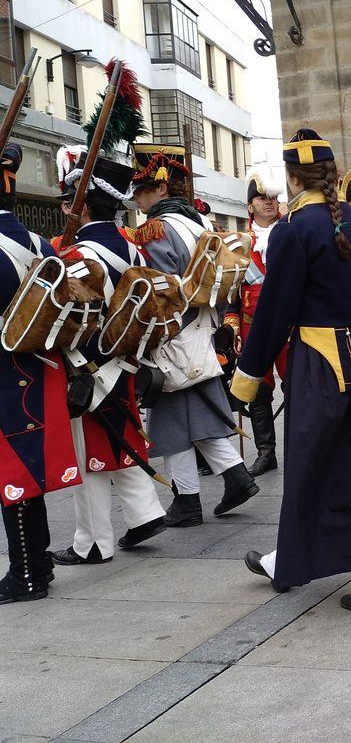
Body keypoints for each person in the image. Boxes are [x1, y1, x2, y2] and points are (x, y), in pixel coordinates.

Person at [232, 128, 351, 612]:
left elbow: (274, 314)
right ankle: (289, 560)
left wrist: (247, 378)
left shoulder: (293, 231)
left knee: (327, 468)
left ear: (291, 178)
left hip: (318, 368)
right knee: (341, 465)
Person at [129, 142, 258, 527]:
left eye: (143, 188)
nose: (137, 197)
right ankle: (234, 477)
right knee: (194, 416)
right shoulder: (198, 221)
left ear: (163, 188)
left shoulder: (155, 229)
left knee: (169, 423)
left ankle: (188, 501)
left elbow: (157, 288)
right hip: (203, 327)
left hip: (171, 333)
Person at [51, 156, 167, 565]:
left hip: (90, 364)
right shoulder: (133, 245)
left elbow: (66, 319)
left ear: (83, 206)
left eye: (70, 200)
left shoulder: (80, 253)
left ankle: (93, 543)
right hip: (127, 360)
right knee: (117, 439)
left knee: (90, 456)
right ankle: (145, 513)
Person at [0, 142, 84, 602]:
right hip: (32, 364)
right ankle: (40, 563)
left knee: (11, 472)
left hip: (3, 366)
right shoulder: (33, 240)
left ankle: (27, 574)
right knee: (24, 468)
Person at [223, 173, 285, 477]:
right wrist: (232, 324)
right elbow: (231, 294)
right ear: (250, 207)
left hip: (288, 323)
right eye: (262, 199)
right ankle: (265, 452)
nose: (269, 203)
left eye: (272, 198)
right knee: (257, 389)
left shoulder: (292, 231)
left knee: (297, 385)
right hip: (252, 326)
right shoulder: (237, 244)